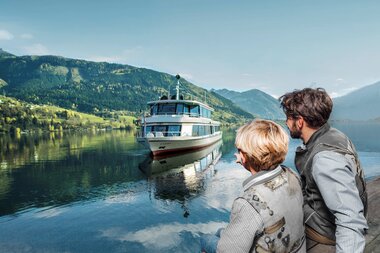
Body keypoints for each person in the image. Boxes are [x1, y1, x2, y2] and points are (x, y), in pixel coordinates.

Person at [279, 88, 368, 253]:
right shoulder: (334, 135)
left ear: (300, 122)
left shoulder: (325, 159)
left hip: (322, 241)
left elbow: (350, 220)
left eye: (289, 118)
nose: (286, 122)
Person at [200, 119, 306, 253]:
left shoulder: (248, 203)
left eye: (239, 150)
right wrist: (246, 161)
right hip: (296, 247)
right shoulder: (291, 174)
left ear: (244, 157)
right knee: (220, 232)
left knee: (205, 239)